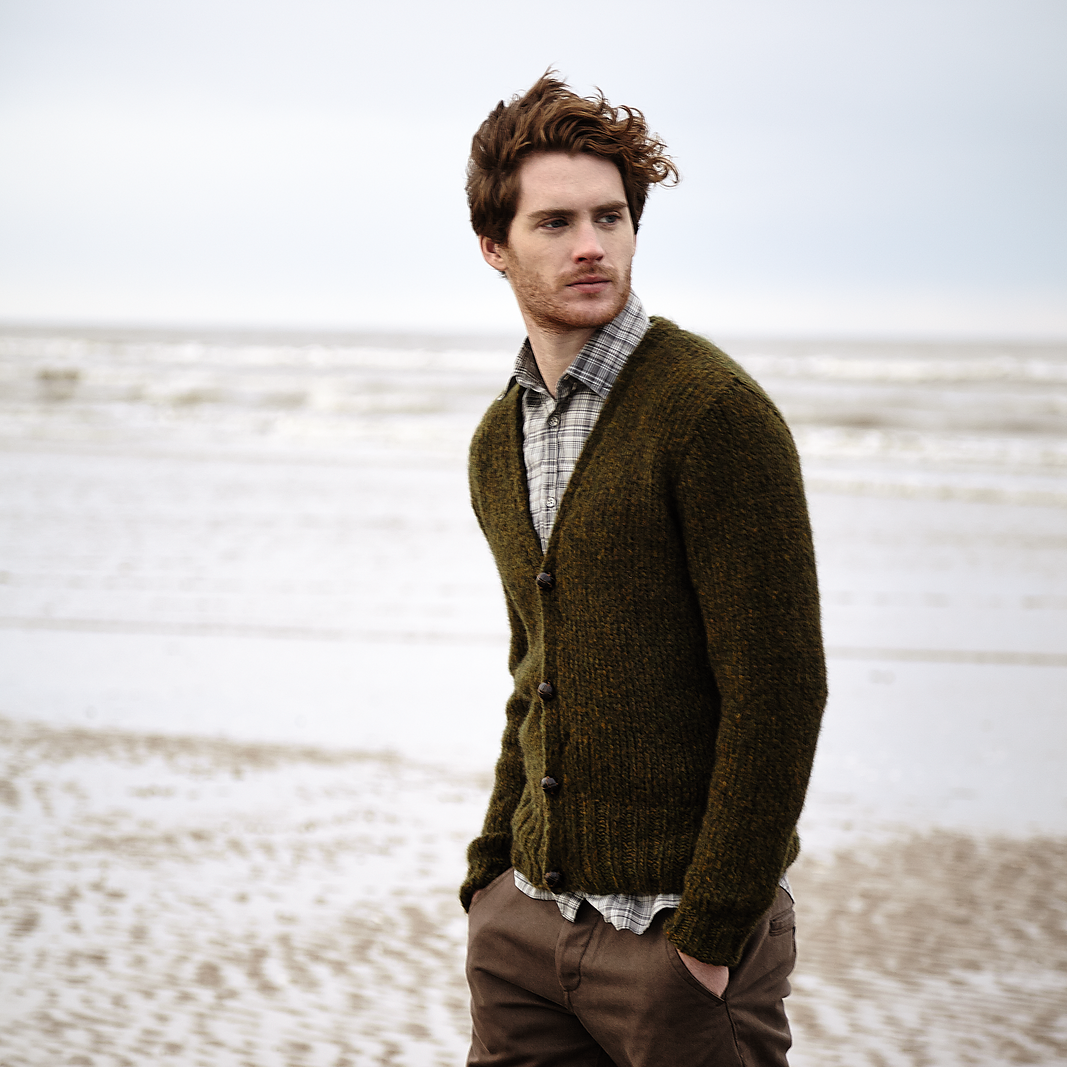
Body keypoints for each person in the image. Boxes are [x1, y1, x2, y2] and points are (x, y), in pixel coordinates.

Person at [460, 74, 826, 1067]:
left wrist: (707, 935)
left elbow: (778, 689)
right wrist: (489, 876)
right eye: (555, 222)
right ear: (494, 247)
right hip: (525, 935)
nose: (591, 244)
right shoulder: (498, 440)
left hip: (675, 948)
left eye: (610, 216)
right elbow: (532, 673)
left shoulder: (711, 415)